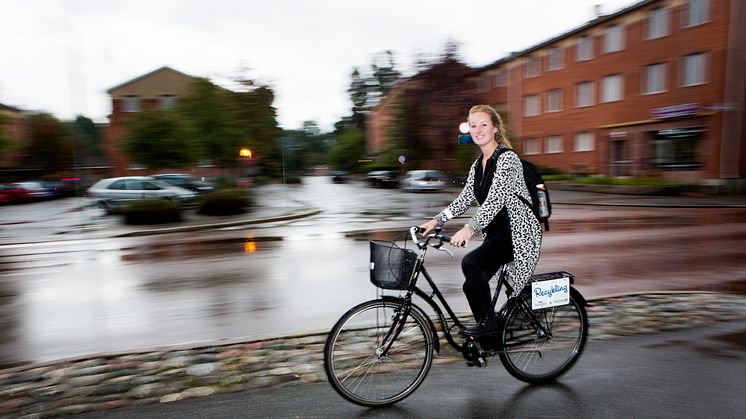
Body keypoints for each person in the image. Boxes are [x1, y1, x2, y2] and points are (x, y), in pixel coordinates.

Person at [419, 104, 542, 336]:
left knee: (470, 264)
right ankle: (489, 337)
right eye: (473, 126)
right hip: (498, 234)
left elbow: (496, 199)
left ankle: (489, 326)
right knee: (471, 286)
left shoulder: (508, 159)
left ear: (495, 128)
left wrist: (469, 229)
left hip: (518, 233)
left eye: (483, 124)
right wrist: (436, 221)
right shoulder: (478, 165)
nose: (478, 129)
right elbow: (464, 199)